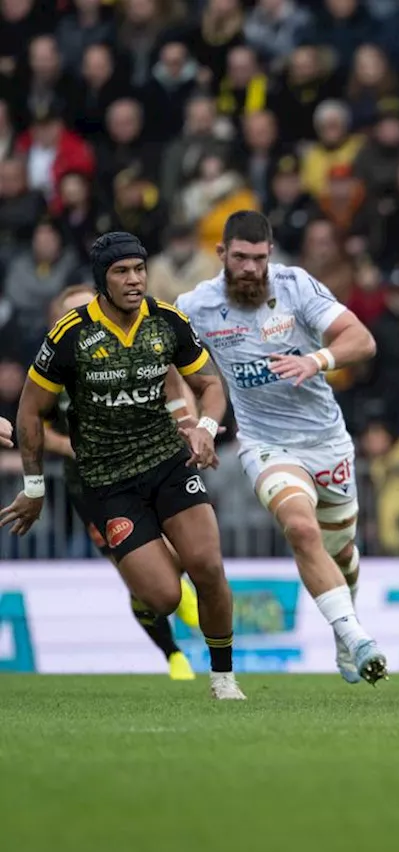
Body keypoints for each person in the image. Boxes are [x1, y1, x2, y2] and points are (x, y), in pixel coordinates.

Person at [0, 232, 244, 700]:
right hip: (108, 483)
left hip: (168, 464)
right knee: (165, 597)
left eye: (139, 269)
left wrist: (204, 428)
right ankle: (159, 621)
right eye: (121, 272)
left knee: (208, 567)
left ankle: (223, 678)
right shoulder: (70, 334)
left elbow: (209, 385)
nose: (134, 280)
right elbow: (29, 412)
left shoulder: (166, 321)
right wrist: (34, 487)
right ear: (102, 280)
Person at [178, 211, 387, 686]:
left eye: (258, 258)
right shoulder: (196, 306)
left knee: (341, 552)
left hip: (327, 441)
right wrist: (196, 422)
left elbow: (362, 339)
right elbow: (175, 365)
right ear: (222, 255)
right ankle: (356, 638)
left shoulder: (296, 286)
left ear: (269, 254)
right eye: (240, 258)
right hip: (265, 442)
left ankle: (343, 634)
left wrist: (317, 360)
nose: (250, 267)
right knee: (299, 528)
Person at [42, 284, 202, 680]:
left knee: (175, 547)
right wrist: (70, 447)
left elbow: (173, 384)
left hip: (143, 466)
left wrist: (187, 426)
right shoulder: (53, 368)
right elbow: (34, 426)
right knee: (134, 569)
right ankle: (173, 654)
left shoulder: (127, 354)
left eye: (89, 311)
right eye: (72, 314)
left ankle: (180, 593)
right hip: (90, 487)